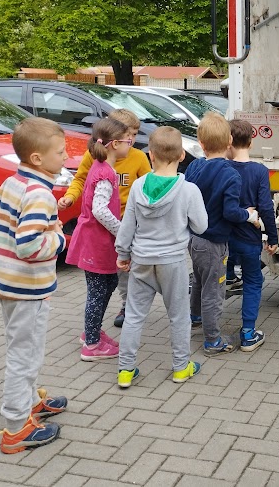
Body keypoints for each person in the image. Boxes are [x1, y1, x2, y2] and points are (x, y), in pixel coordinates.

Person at [0, 117, 69, 454]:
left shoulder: (12, 182)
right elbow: (29, 245)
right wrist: (58, 238)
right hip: (27, 290)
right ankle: (15, 428)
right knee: (24, 354)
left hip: (8, 284)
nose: (66, 157)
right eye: (61, 152)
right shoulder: (41, 195)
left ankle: (28, 403)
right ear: (37, 158)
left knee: (26, 349)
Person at [115, 127, 208, 386]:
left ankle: (125, 370)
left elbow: (127, 226)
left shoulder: (137, 186)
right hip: (173, 262)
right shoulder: (189, 190)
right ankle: (180, 367)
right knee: (178, 316)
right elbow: (201, 226)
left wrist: (123, 253)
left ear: (150, 155)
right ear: (181, 155)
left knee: (133, 316)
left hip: (141, 260)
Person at [59, 109, 151, 329]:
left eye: (135, 135)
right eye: (128, 135)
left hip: (127, 224)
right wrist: (70, 197)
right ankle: (94, 330)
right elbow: (80, 180)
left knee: (126, 269)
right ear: (113, 139)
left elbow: (148, 187)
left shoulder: (138, 157)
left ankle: (127, 305)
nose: (132, 140)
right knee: (107, 274)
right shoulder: (96, 158)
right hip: (104, 227)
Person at [185, 112, 258, 356]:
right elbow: (230, 212)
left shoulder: (194, 166)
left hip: (193, 239)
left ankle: (194, 317)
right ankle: (213, 340)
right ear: (229, 142)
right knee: (214, 291)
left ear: (201, 143)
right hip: (215, 243)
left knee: (198, 280)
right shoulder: (230, 174)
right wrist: (248, 214)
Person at [66, 117, 132, 361]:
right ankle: (91, 345)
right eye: (128, 140)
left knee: (108, 284)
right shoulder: (104, 173)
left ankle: (91, 331)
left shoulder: (102, 166)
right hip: (96, 242)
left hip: (98, 240)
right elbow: (100, 210)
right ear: (114, 144)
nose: (131, 143)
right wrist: (123, 231)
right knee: (97, 290)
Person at [227, 119, 279, 351]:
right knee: (252, 281)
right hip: (249, 239)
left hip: (224, 238)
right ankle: (248, 333)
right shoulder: (259, 171)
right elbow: (266, 207)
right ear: (251, 141)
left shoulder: (223, 168)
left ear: (228, 141)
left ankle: (200, 320)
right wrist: (273, 237)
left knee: (214, 280)